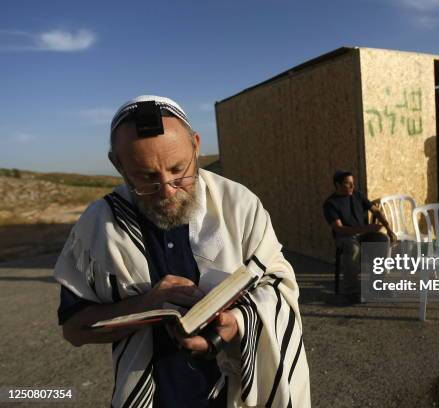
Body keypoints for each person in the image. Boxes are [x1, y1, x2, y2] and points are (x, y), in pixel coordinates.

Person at [54, 95, 310, 408]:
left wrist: (235, 324)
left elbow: (279, 287)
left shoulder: (239, 206)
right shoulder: (98, 226)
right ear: (117, 164)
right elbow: (74, 329)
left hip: (236, 394)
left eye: (178, 169)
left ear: (196, 145)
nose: (167, 190)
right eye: (147, 177)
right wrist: (144, 305)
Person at [322, 170, 397, 301]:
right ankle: (351, 291)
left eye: (353, 183)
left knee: (382, 240)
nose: (352, 186)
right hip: (345, 237)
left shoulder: (357, 195)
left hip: (363, 234)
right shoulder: (330, 204)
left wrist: (388, 228)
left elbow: (376, 211)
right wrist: (366, 228)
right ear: (338, 185)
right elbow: (339, 229)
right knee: (353, 248)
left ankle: (377, 284)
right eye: (348, 183)